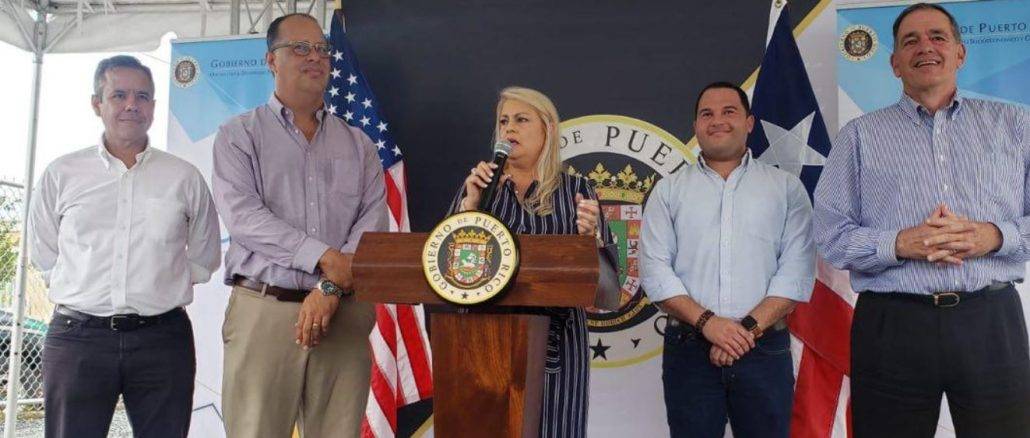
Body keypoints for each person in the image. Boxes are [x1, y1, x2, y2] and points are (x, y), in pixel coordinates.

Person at [813, 3, 1030, 436]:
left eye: (937, 37)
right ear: (894, 63)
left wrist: (994, 236)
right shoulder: (858, 137)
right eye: (910, 41)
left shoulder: (1016, 125)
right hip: (892, 325)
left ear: (960, 54)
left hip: (990, 321)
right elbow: (830, 235)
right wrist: (898, 244)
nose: (924, 47)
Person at [210, 13, 388, 438]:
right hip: (265, 312)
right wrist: (325, 258)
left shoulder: (360, 144)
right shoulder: (238, 136)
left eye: (322, 49)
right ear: (271, 60)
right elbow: (244, 218)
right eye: (301, 48)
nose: (315, 57)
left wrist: (329, 288)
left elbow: (372, 221)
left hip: (343, 313)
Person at [28, 55, 221, 438]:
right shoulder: (62, 174)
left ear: (153, 106)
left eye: (142, 96)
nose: (132, 105)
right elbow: (44, 254)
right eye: (119, 95)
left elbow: (204, 256)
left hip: (161, 340)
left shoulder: (183, 178)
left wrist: (156, 287)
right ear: (96, 104)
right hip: (78, 337)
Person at [640, 82, 815, 438]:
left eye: (729, 111)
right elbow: (655, 271)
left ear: (749, 123)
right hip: (690, 351)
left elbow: (796, 273)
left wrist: (744, 331)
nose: (717, 120)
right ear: (695, 126)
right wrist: (709, 324)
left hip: (765, 351)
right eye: (707, 114)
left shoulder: (786, 189)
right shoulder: (668, 191)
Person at [450, 86, 613, 437]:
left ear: (548, 129)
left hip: (557, 347)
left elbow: (607, 293)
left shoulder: (577, 191)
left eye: (521, 120)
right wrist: (471, 208)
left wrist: (590, 241)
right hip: (484, 344)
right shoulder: (478, 188)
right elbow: (446, 274)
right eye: (503, 121)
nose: (509, 128)